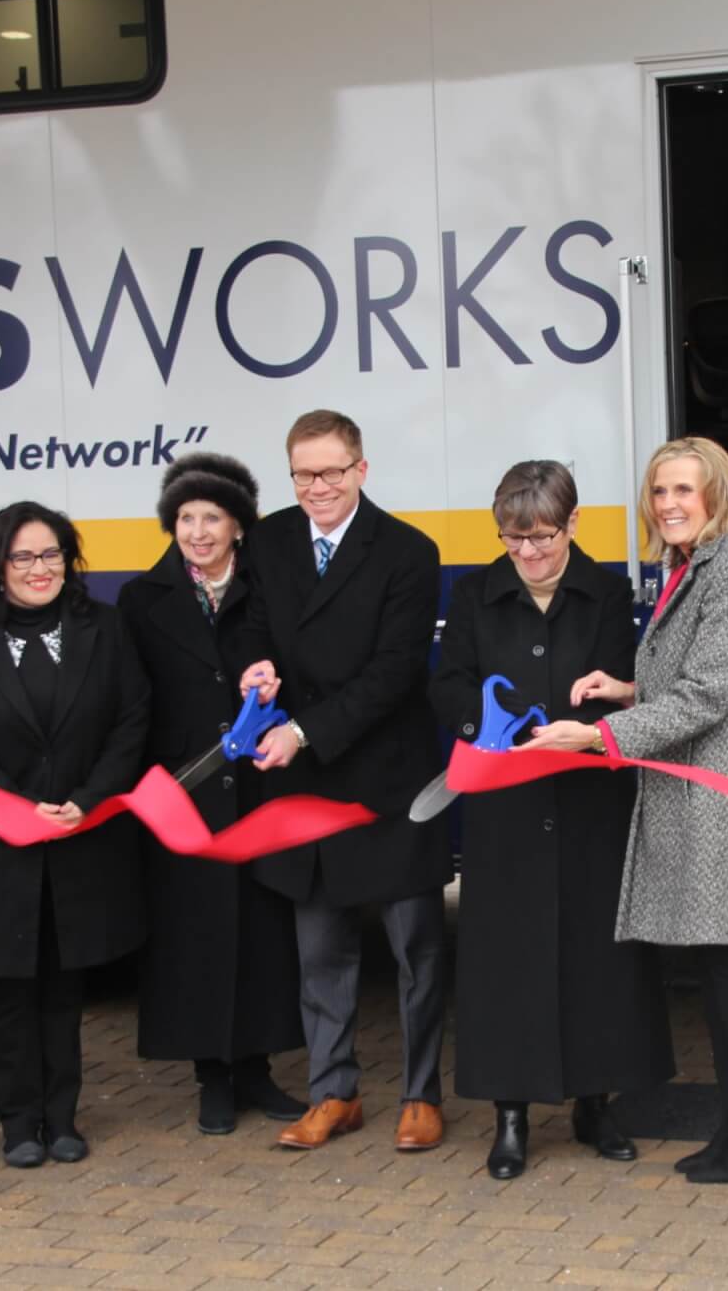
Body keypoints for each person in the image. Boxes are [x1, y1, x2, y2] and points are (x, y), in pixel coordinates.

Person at [522, 435, 728, 1185]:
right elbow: (695, 679)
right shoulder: (689, 567)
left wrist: (600, 734)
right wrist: (628, 691)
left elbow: (711, 693)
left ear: (717, 493)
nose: (669, 504)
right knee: (716, 967)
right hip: (698, 786)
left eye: (683, 490)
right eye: (659, 491)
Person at [427, 460, 675, 1180]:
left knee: (597, 956)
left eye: (541, 537)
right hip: (506, 802)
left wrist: (587, 726)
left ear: (573, 524)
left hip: (588, 796)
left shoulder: (606, 592)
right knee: (507, 958)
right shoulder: (474, 594)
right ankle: (511, 1114)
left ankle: (595, 1102)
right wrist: (484, 722)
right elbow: (447, 682)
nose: (528, 552)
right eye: (513, 539)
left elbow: (629, 685)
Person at [235, 410, 449, 1153]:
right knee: (321, 952)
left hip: (387, 782)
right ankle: (334, 1093)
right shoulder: (267, 540)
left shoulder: (409, 553)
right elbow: (256, 626)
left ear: (362, 469)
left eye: (329, 471)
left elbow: (394, 674)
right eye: (302, 474)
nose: (316, 487)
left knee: (415, 950)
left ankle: (422, 1095)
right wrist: (259, 671)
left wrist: (303, 730)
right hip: (305, 787)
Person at [0, 501, 151, 1169]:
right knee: (5, 991)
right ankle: (19, 1122)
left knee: (62, 989)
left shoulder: (103, 628)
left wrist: (85, 798)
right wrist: (20, 806)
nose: (39, 569)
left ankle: (62, 1117)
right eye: (23, 557)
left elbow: (131, 720)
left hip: (79, 837)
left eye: (51, 555)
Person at [116, 454, 306, 1136]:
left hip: (259, 786)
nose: (198, 531)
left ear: (237, 527)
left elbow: (300, 673)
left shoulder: (269, 591)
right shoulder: (143, 599)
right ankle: (213, 1077)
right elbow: (131, 701)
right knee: (192, 936)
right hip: (185, 793)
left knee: (261, 930)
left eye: (212, 518)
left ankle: (257, 1068)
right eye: (186, 518)